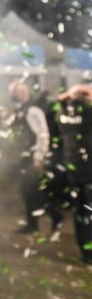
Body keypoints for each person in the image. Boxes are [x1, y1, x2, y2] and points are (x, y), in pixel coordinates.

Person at [5, 80, 59, 234]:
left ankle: (55, 215)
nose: (20, 94)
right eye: (16, 92)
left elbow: (43, 134)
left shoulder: (34, 110)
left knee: (35, 191)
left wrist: (39, 155)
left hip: (33, 155)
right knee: (26, 190)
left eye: (22, 91)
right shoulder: (18, 110)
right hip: (22, 156)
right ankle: (32, 224)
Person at [53, 84, 92, 265]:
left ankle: (86, 252)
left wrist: (68, 96)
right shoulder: (87, 113)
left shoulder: (64, 113)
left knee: (81, 211)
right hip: (87, 167)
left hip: (74, 168)